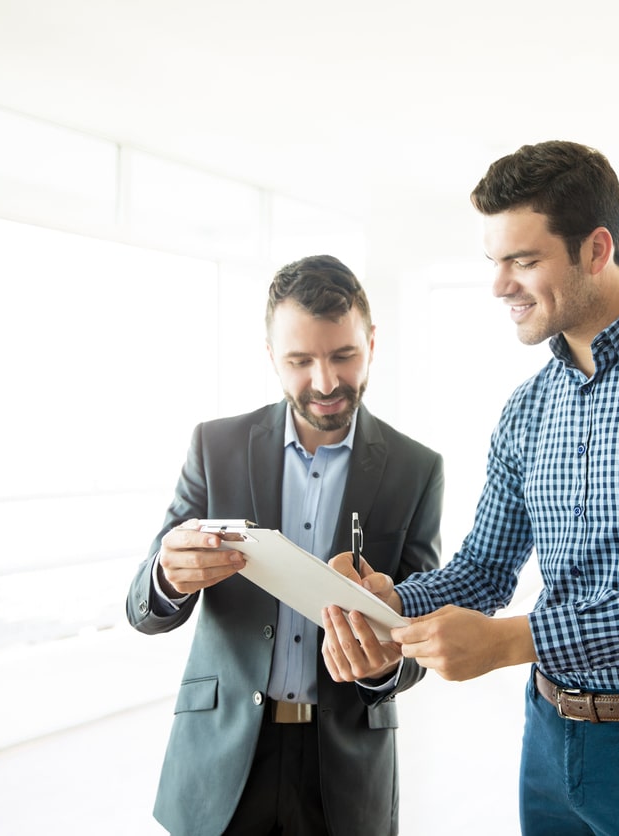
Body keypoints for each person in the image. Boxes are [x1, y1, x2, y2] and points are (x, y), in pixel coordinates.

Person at [322, 141, 619, 835]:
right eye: (495, 262)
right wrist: (391, 601)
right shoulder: (525, 408)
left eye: (524, 260)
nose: (500, 285)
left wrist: (514, 642)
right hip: (546, 744)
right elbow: (483, 569)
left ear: (596, 250)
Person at [126, 254, 444, 836]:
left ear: (372, 342)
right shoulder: (214, 446)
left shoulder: (416, 468)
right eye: (300, 361)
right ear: (271, 356)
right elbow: (142, 609)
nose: (325, 382)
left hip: (343, 770)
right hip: (221, 758)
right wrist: (168, 576)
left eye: (344, 355)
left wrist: (383, 667)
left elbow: (420, 630)